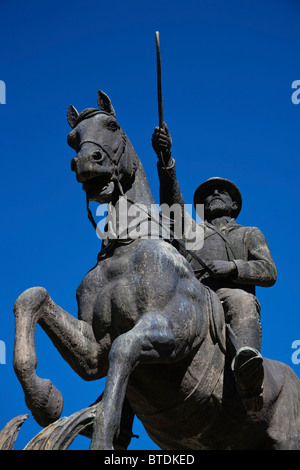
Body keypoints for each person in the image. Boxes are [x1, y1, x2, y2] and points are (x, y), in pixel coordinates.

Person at [152, 125, 277, 411]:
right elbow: (172, 203)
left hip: (228, 297)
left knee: (241, 300)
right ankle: (122, 413)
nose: (215, 193)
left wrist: (231, 268)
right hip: (193, 302)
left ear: (234, 205)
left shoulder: (249, 233)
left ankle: (247, 372)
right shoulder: (192, 232)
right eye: (209, 193)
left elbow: (268, 271)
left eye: (223, 192)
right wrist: (165, 160)